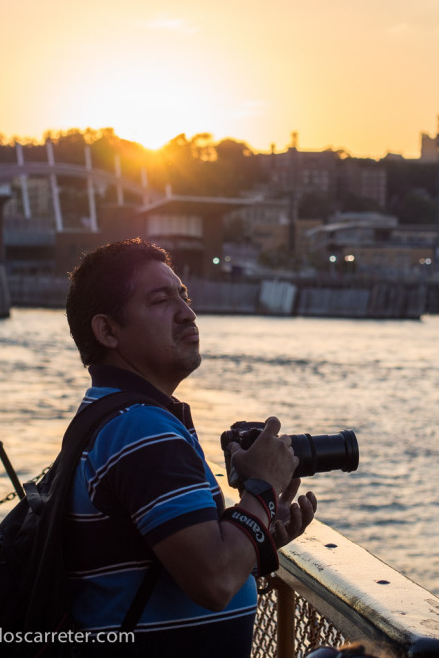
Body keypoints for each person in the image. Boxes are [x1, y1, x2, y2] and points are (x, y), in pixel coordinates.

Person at [64, 238, 317, 656]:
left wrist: (257, 536)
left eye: (184, 295)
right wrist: (263, 489)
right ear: (108, 331)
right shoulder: (142, 429)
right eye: (161, 300)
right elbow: (213, 581)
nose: (188, 313)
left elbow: (169, 563)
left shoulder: (108, 415)